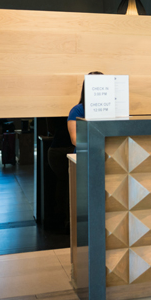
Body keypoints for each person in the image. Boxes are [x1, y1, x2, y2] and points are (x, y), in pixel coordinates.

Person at [47, 71, 103, 232]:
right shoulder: (78, 110)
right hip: (85, 158)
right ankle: (74, 227)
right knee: (81, 196)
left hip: (103, 157)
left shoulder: (109, 109)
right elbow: (75, 139)